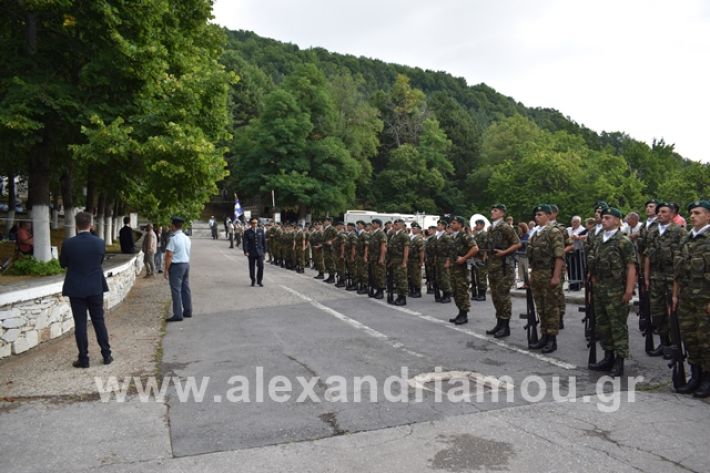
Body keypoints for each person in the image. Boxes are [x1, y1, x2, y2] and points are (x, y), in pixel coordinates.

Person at [587, 207, 637, 377]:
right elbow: (593, 263)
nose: (604, 220)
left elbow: (631, 267)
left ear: (617, 220)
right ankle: (608, 357)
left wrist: (629, 290)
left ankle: (619, 360)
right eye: (603, 217)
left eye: (608, 218)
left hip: (616, 289)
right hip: (600, 288)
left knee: (617, 326)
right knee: (603, 325)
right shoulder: (599, 239)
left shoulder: (623, 241)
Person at [59, 211, 112, 368]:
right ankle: (106, 354)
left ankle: (84, 358)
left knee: (80, 323)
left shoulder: (68, 243)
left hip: (76, 287)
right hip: (95, 286)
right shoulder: (100, 243)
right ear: (91, 225)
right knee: (99, 320)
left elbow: (63, 263)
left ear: (76, 225)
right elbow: (100, 261)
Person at [673, 200, 710, 397]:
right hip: (686, 298)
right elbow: (678, 271)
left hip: (705, 299)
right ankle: (695, 376)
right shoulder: (686, 239)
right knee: (690, 337)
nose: (692, 216)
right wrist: (674, 295)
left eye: (697, 212)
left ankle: (707, 379)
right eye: (691, 213)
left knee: (706, 340)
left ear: (708, 216)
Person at [644, 202, 686, 357]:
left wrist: (678, 281)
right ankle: (664, 343)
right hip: (656, 277)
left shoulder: (678, 232)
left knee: (672, 312)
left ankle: (675, 345)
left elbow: (682, 259)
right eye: (658, 212)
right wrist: (646, 277)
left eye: (663, 212)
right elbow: (648, 255)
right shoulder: (653, 231)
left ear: (672, 214)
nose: (659, 214)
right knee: (657, 311)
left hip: (671, 277)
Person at [527, 204, 565, 353]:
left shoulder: (553, 232)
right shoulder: (536, 233)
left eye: (540, 214)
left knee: (551, 308)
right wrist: (531, 275)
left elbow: (559, 256)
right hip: (537, 274)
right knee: (541, 307)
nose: (537, 217)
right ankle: (544, 335)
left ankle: (552, 339)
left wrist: (556, 276)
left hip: (549, 274)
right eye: (536, 215)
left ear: (549, 216)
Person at [484, 204, 521, 338]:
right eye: (492, 210)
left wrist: (504, 252)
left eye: (496, 211)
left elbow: (517, 243)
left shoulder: (506, 227)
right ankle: (499, 323)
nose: (492, 212)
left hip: (504, 267)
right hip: (493, 267)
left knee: (503, 296)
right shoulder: (490, 228)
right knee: (495, 296)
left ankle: (505, 326)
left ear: (502, 214)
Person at [447, 216, 478, 325]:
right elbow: (450, 252)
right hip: (454, 268)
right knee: (455, 291)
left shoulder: (465, 236)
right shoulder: (452, 237)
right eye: (451, 222)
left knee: (462, 291)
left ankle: (464, 314)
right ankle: (460, 312)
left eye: (454, 223)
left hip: (462, 268)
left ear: (460, 225)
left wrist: (464, 258)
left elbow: (475, 248)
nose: (451, 224)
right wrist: (448, 263)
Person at [164, 216, 192, 322]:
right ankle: (188, 310)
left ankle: (178, 313)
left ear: (173, 226)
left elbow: (169, 255)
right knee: (186, 288)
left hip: (176, 266)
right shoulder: (186, 238)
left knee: (176, 290)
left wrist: (166, 269)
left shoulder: (173, 239)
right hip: (186, 264)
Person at [388, 219, 410, 305]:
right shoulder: (394, 235)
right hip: (394, 260)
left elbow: (406, 249)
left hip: (401, 260)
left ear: (401, 225)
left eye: (396, 224)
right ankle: (399, 296)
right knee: (397, 279)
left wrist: (404, 262)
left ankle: (403, 298)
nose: (394, 225)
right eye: (394, 224)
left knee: (402, 279)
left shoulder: (404, 235)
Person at [243, 217, 266, 287]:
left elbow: (263, 242)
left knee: (261, 266)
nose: (254, 224)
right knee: (252, 267)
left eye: (256, 223)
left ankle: (259, 280)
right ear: (251, 224)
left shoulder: (261, 231)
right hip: (251, 251)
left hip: (260, 252)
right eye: (253, 223)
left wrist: (264, 251)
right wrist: (246, 251)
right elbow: (245, 242)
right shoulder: (247, 232)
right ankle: (253, 279)